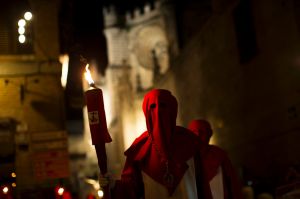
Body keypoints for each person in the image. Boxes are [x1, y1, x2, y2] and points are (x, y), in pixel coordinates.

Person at [115, 89, 209, 199]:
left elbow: (203, 186)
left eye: (163, 106)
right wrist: (111, 185)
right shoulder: (138, 151)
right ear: (147, 112)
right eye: (153, 106)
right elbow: (129, 190)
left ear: (172, 110)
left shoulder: (190, 142)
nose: (158, 111)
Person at [187, 119, 243, 199]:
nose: (198, 135)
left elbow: (233, 185)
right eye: (194, 132)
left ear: (210, 134)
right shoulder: (185, 158)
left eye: (202, 132)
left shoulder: (220, 155)